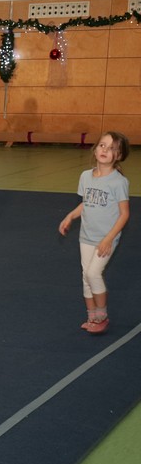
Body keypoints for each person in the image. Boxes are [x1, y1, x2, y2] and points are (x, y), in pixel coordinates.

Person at [58, 132, 131, 335]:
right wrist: (70, 216)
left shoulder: (118, 182)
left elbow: (124, 214)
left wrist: (109, 239)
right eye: (102, 145)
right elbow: (86, 203)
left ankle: (102, 314)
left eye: (112, 148)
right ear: (95, 149)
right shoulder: (85, 176)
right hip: (86, 236)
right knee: (86, 277)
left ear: (119, 155)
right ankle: (92, 315)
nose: (105, 150)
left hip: (106, 238)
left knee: (93, 273)